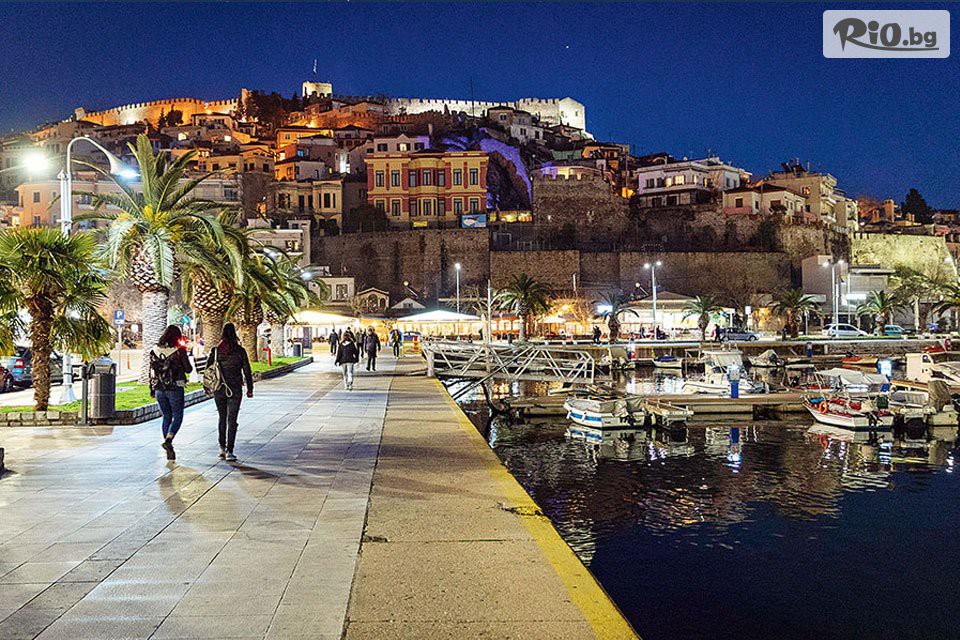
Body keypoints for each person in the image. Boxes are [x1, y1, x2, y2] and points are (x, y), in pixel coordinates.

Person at [209, 323, 253, 462]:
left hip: (219, 388)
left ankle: (222, 447)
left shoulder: (216, 351)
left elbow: (208, 369)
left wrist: (207, 386)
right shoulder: (240, 351)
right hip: (235, 389)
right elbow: (247, 370)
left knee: (222, 418)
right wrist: (250, 388)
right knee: (232, 420)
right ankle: (230, 451)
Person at [149, 325, 193, 461]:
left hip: (159, 388)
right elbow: (188, 369)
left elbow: (151, 372)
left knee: (166, 416)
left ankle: (168, 444)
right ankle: (169, 439)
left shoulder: (154, 350)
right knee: (177, 415)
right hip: (175, 387)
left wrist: (152, 389)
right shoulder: (179, 350)